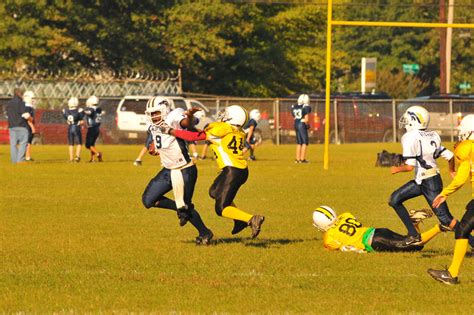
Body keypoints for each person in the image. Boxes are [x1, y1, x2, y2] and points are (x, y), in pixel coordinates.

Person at [159, 105, 265, 238]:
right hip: (238, 170)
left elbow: (194, 137)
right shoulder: (238, 131)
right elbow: (200, 133)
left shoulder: (222, 128)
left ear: (232, 117)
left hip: (232, 171)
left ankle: (250, 219)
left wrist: (171, 131)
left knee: (221, 208)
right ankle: (239, 221)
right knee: (214, 191)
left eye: (226, 114)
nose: (223, 115)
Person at [141, 96, 213, 245]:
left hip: (185, 170)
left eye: (156, 112)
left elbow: (185, 123)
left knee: (185, 207)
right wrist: (153, 145)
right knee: (148, 200)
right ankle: (182, 209)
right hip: (167, 170)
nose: (154, 116)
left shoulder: (174, 115)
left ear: (165, 109)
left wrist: (190, 116)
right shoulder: (152, 123)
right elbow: (155, 136)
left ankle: (205, 233)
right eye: (151, 113)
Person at [389, 105, 457, 247]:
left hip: (429, 183)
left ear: (414, 120)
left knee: (446, 219)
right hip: (424, 181)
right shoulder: (433, 135)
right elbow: (450, 156)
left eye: (408, 118)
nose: (405, 121)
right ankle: (413, 235)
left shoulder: (409, 137)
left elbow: (409, 166)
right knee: (394, 199)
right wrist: (451, 170)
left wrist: (396, 169)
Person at [427, 115, 474, 285]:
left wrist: (444, 193)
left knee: (462, 230)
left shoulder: (467, 147)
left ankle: (452, 275)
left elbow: (461, 178)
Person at [312, 205, 429, 253]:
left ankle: (438, 227)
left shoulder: (329, 237)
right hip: (378, 231)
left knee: (416, 246)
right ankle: (414, 223)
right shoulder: (345, 215)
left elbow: (345, 248)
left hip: (375, 241)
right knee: (410, 240)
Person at [6, 88, 31, 164]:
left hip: (11, 126)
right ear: (20, 94)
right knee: (23, 143)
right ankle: (20, 160)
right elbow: (24, 115)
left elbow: (7, 114)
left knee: (13, 144)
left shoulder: (9, 103)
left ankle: (14, 161)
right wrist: (29, 116)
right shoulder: (21, 103)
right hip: (21, 126)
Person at [62, 97, 84, 162]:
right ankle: (77, 156)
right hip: (76, 127)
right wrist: (79, 122)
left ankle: (71, 158)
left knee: (71, 144)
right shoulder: (79, 110)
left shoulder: (65, 111)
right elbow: (82, 121)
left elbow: (67, 120)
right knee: (79, 143)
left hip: (70, 128)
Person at [291, 94, 311, 163]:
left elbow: (294, 117)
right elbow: (306, 119)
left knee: (299, 142)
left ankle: (297, 159)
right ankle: (302, 159)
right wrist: (307, 125)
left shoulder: (294, 106)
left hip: (296, 124)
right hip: (302, 124)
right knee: (305, 142)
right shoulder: (305, 107)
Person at [83, 95, 103, 162]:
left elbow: (90, 112)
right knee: (92, 144)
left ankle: (98, 154)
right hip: (97, 129)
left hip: (92, 128)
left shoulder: (91, 109)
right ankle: (93, 159)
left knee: (88, 145)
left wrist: (82, 111)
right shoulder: (98, 109)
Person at [23, 90, 36, 162]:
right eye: (32, 98)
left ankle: (27, 156)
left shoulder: (27, 107)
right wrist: (32, 127)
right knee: (28, 142)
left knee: (28, 142)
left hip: (26, 126)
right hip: (27, 127)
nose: (33, 100)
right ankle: (27, 156)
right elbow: (27, 117)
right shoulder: (28, 108)